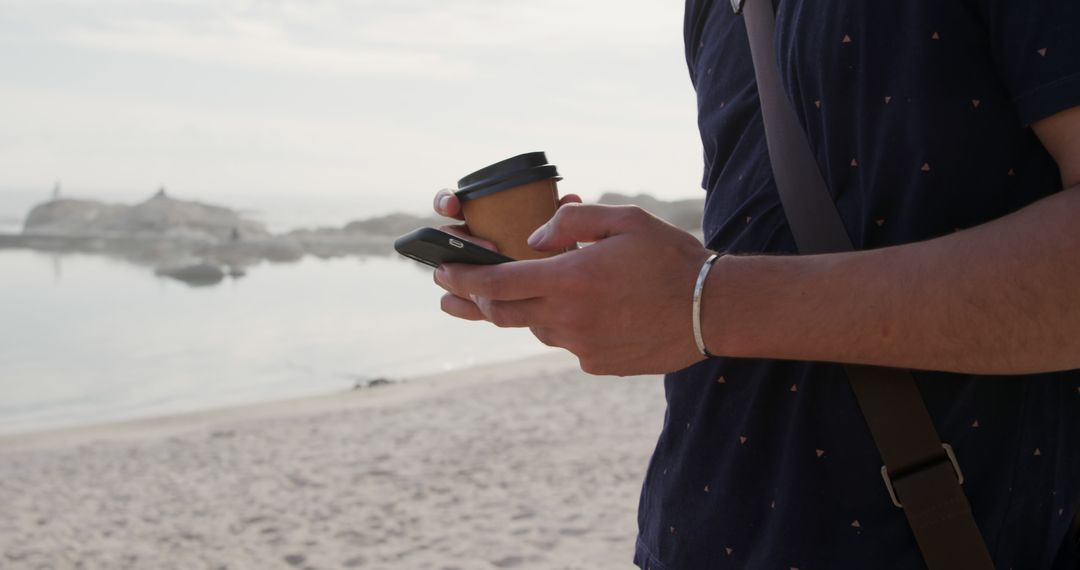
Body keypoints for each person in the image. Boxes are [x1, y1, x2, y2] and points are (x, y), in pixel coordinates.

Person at [432, 1, 1080, 567]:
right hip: (694, 531)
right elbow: (770, 235)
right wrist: (603, 283)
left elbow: (722, 294)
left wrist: (708, 302)